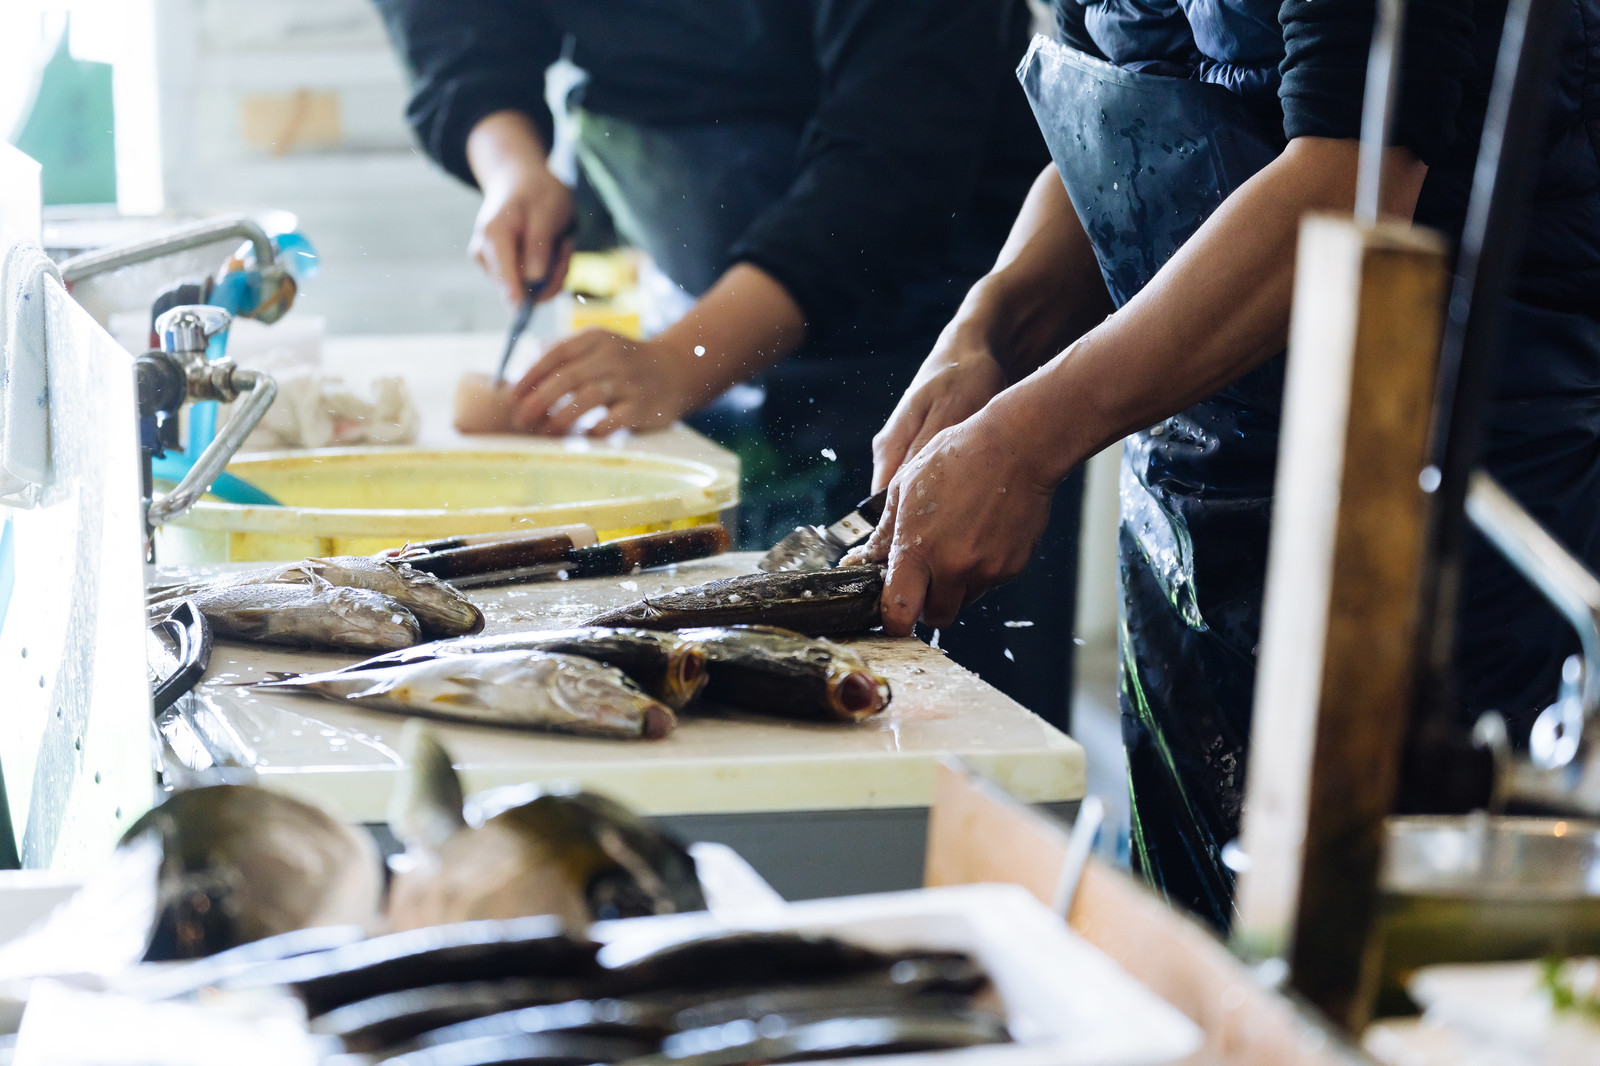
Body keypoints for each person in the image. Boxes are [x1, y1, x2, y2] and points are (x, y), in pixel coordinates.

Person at [854, 0, 1600, 929]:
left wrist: (1024, 442)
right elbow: (1128, 110)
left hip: (1450, 486)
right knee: (1204, 939)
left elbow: (1349, 177)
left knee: (1386, 955)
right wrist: (989, 330)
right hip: (1192, 485)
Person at [373, 0, 1084, 725]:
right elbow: (451, 21)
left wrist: (682, 361)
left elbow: (896, 151)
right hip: (691, 310)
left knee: (946, 724)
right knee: (716, 692)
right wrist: (512, 166)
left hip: (930, 331)